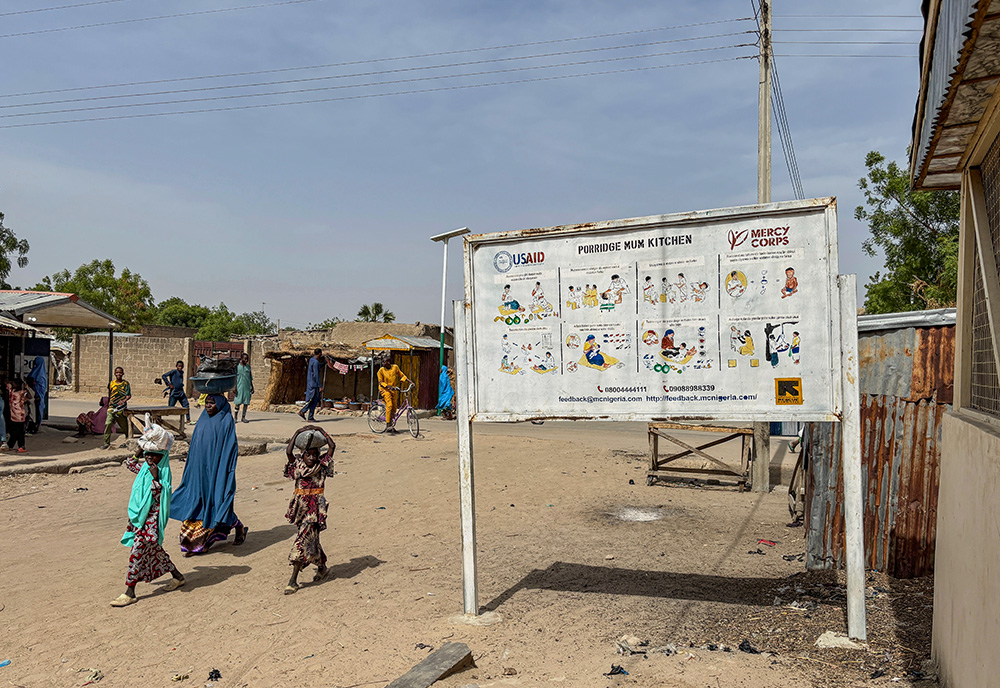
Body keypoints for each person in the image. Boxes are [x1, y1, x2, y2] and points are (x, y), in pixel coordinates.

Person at [170, 394, 247, 555]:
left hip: (216, 470)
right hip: (198, 470)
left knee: (216, 502)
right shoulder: (203, 420)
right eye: (207, 403)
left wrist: (224, 471)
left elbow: (229, 449)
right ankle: (194, 544)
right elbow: (195, 447)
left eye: (212, 403)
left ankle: (231, 529)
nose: (208, 406)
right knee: (195, 501)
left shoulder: (225, 421)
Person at [111, 446, 185, 607]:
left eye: (155, 455)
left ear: (163, 457)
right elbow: (130, 463)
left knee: (137, 552)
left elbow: (161, 498)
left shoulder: (162, 473)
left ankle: (130, 592)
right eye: (148, 454)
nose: (150, 457)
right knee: (155, 551)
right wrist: (139, 450)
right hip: (139, 519)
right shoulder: (145, 468)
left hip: (151, 522)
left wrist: (156, 479)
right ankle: (178, 577)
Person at [283, 426, 335, 594]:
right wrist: (297, 433)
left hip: (314, 510)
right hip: (300, 508)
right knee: (312, 540)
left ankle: (293, 580)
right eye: (308, 454)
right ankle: (322, 567)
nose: (312, 457)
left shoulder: (322, 466)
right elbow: (288, 452)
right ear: (303, 455)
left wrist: (320, 430)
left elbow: (332, 446)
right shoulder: (297, 465)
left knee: (302, 540)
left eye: (314, 454)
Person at [377, 357, 409, 433]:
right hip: (385, 390)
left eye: (384, 362)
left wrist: (408, 381)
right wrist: (387, 386)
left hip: (394, 390)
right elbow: (380, 382)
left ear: (389, 362)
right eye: (383, 362)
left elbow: (402, 375)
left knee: (394, 408)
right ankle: (388, 424)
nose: (383, 364)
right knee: (390, 405)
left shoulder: (395, 367)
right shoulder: (381, 371)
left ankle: (392, 426)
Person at [103, 367, 131, 450]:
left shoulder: (126, 384)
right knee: (108, 424)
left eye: (120, 372)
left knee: (124, 426)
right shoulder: (111, 383)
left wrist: (123, 401)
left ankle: (127, 440)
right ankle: (106, 443)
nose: (118, 374)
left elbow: (128, 395)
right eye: (117, 372)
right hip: (111, 407)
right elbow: (110, 393)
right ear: (115, 373)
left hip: (121, 408)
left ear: (123, 374)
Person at [299, 349, 324, 422]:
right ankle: (304, 411)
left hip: (310, 383)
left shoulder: (312, 360)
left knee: (313, 400)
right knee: (313, 400)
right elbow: (316, 375)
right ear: (319, 354)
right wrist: (320, 385)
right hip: (314, 384)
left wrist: (325, 362)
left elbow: (318, 367)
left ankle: (309, 416)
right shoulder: (315, 362)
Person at [7, 379, 27, 453]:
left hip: (19, 415)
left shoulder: (22, 392)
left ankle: (17, 445)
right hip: (13, 414)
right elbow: (7, 383)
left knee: (18, 431)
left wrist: (26, 388)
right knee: (16, 431)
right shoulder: (12, 391)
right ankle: (15, 445)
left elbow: (29, 396)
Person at [233, 352, 254, 423]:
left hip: (247, 387)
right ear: (241, 359)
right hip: (239, 387)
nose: (246, 360)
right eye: (245, 358)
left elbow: (250, 378)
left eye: (247, 359)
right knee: (238, 402)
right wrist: (234, 387)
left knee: (246, 403)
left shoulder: (248, 367)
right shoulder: (237, 367)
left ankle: (243, 417)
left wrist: (252, 387)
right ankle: (235, 417)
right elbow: (234, 378)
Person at [31, 355, 48, 424]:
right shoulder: (35, 371)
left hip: (38, 395)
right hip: (32, 395)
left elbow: (41, 387)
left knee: (37, 411)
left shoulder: (41, 376)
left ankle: (36, 425)